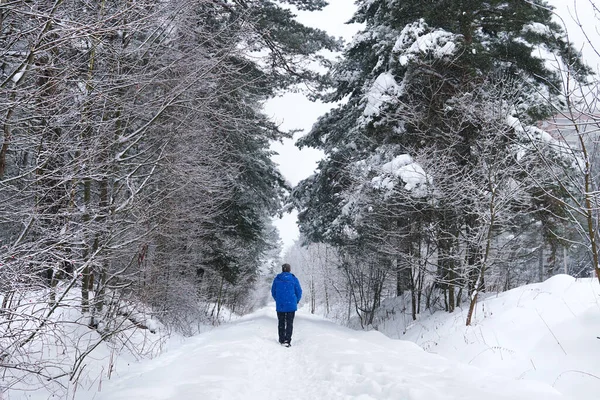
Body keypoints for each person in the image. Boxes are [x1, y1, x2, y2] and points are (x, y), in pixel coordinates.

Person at [271, 263, 302, 347]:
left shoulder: (277, 279)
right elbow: (299, 291)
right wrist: (296, 300)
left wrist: (278, 299)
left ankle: (281, 339)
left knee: (281, 322)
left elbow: (273, 292)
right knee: (289, 323)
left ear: (282, 269)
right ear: (289, 269)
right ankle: (287, 340)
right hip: (291, 305)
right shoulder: (294, 279)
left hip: (280, 305)